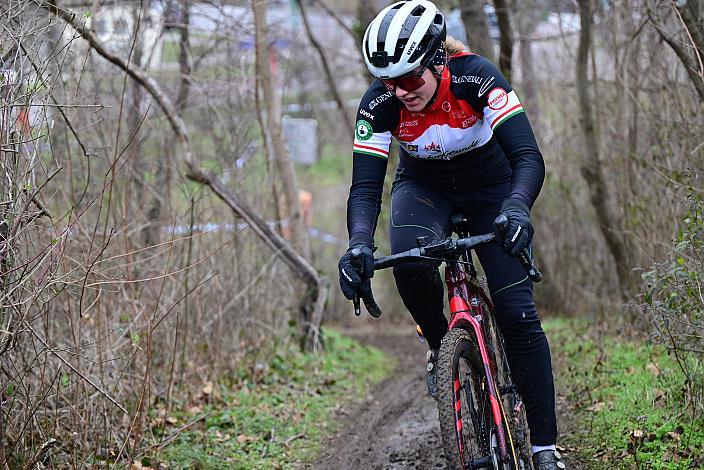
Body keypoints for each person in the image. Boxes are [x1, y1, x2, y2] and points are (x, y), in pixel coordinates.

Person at [337, 1, 566, 469]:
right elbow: (365, 186)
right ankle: (442, 349)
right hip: (425, 188)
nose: (399, 91)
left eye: (408, 78)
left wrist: (517, 209)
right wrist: (358, 243)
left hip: (492, 186)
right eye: (386, 80)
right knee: (410, 263)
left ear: (437, 60)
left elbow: (528, 157)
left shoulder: (476, 77)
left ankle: (544, 446)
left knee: (519, 316)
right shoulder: (379, 104)